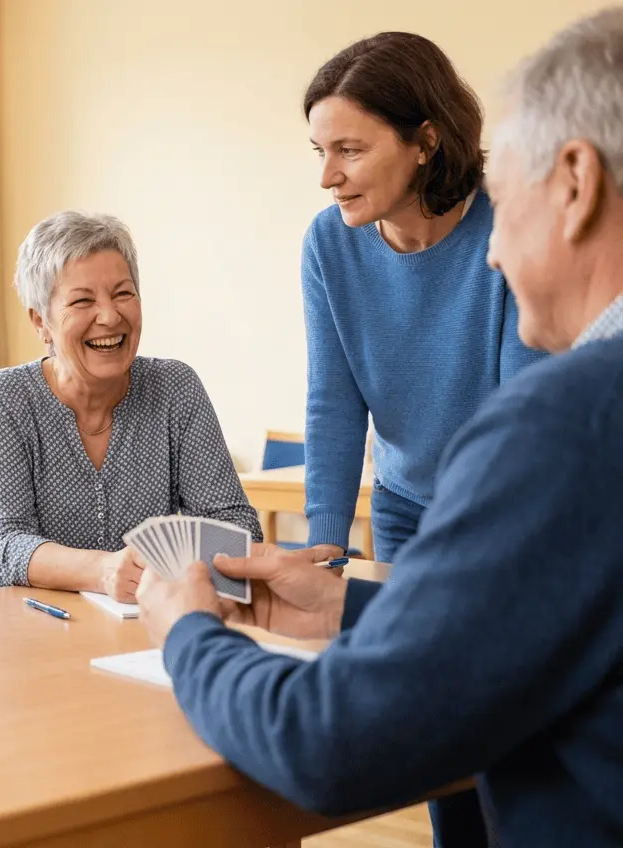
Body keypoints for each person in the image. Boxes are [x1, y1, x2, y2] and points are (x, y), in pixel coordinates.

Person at [136, 9, 623, 846]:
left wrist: (188, 633)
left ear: (575, 182)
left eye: (506, 204)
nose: (494, 254)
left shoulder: (571, 427)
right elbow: (334, 402)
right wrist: (345, 591)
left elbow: (337, 743)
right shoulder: (333, 246)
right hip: (424, 504)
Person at [301, 32, 545, 567]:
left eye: (351, 150)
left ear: (425, 143)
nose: (327, 177)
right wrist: (325, 547)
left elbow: (524, 415)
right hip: (401, 507)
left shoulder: (510, 226)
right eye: (321, 151)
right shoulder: (328, 243)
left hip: (503, 509)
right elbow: (333, 402)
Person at [0, 211, 261, 600]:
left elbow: (237, 529)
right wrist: (102, 570)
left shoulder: (175, 388)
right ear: (41, 323)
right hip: (16, 619)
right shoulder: (3, 398)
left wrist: (166, 569)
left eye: (123, 294)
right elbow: (3, 541)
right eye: (82, 301)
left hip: (137, 622)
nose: (109, 316)